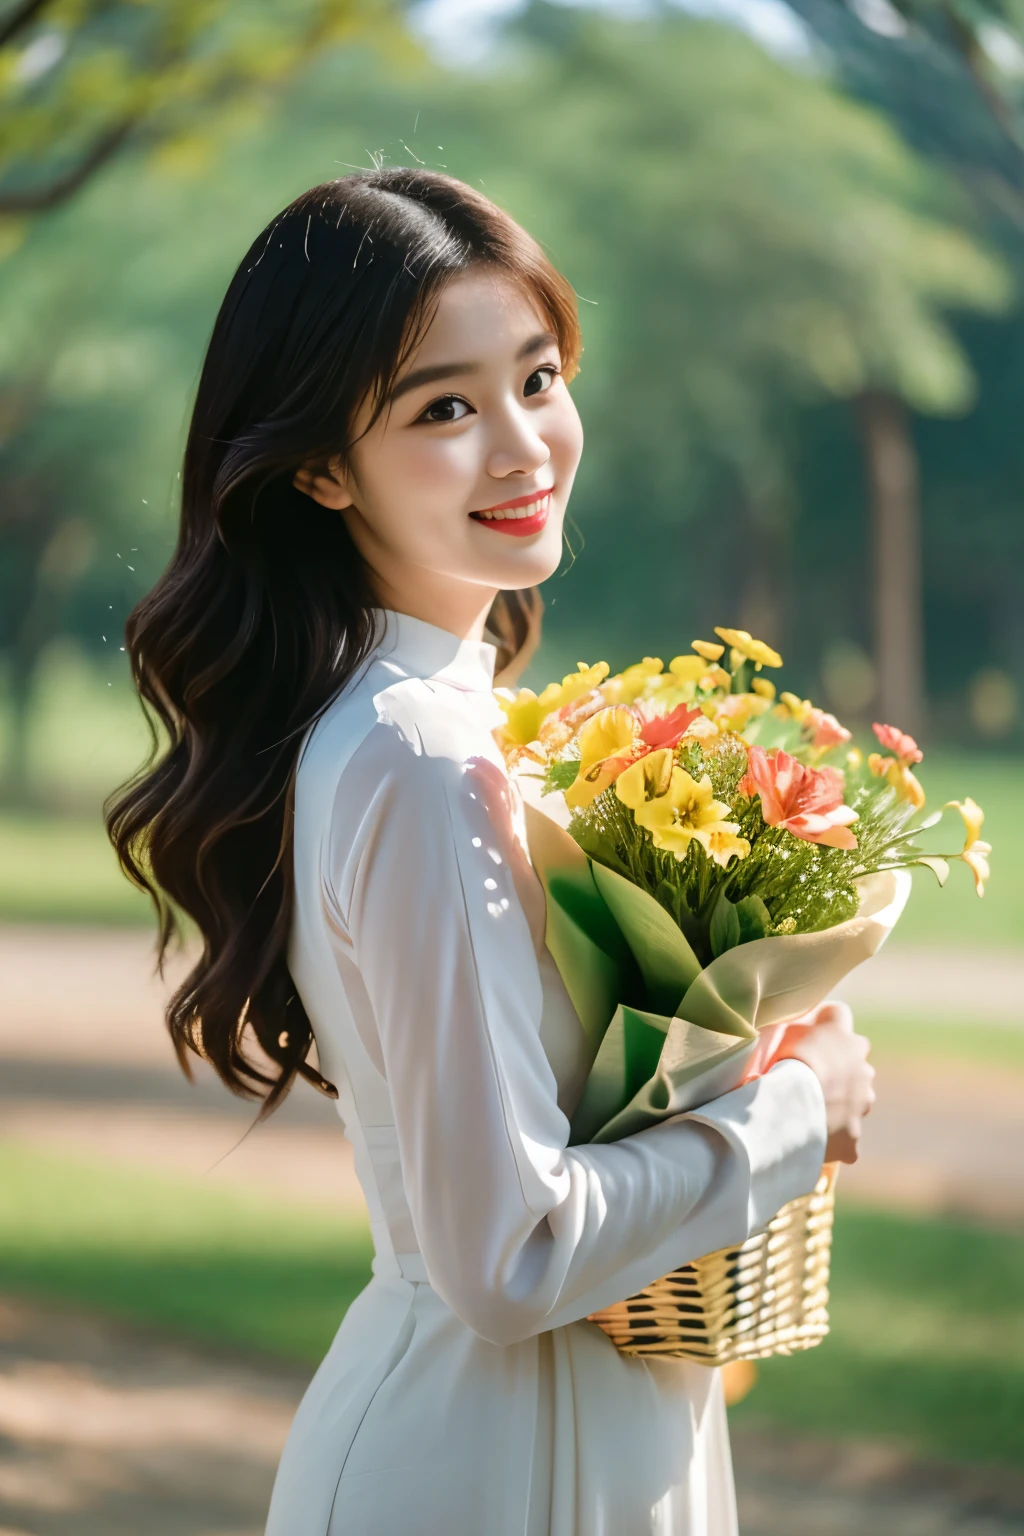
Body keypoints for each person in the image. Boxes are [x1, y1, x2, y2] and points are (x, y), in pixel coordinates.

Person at [107, 169, 875, 1536]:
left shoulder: (460, 725)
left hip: (588, 1436)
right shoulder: (413, 756)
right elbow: (507, 1255)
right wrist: (791, 1113)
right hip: (484, 1470)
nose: (522, 447)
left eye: (536, 377)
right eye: (444, 409)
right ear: (320, 467)